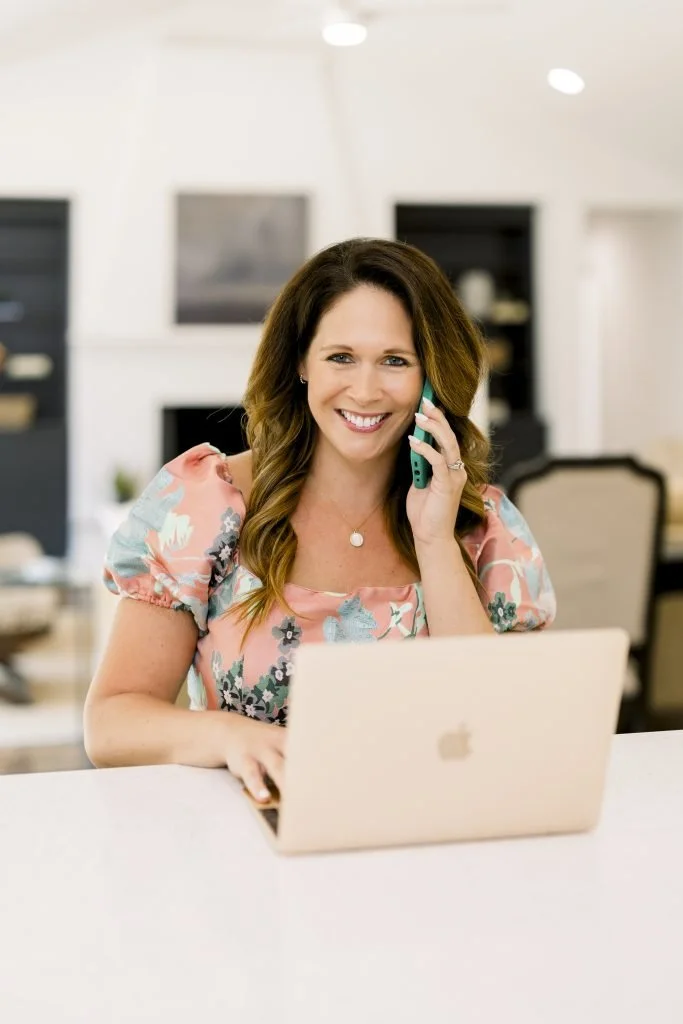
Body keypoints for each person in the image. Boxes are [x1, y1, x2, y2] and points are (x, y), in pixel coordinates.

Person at [84, 238, 556, 801]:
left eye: (396, 361)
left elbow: (502, 727)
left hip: (431, 824)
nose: (365, 390)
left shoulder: (484, 527)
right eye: (341, 357)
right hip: (251, 829)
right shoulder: (205, 504)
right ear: (301, 362)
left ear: (431, 379)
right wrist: (229, 735)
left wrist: (435, 542)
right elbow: (111, 724)